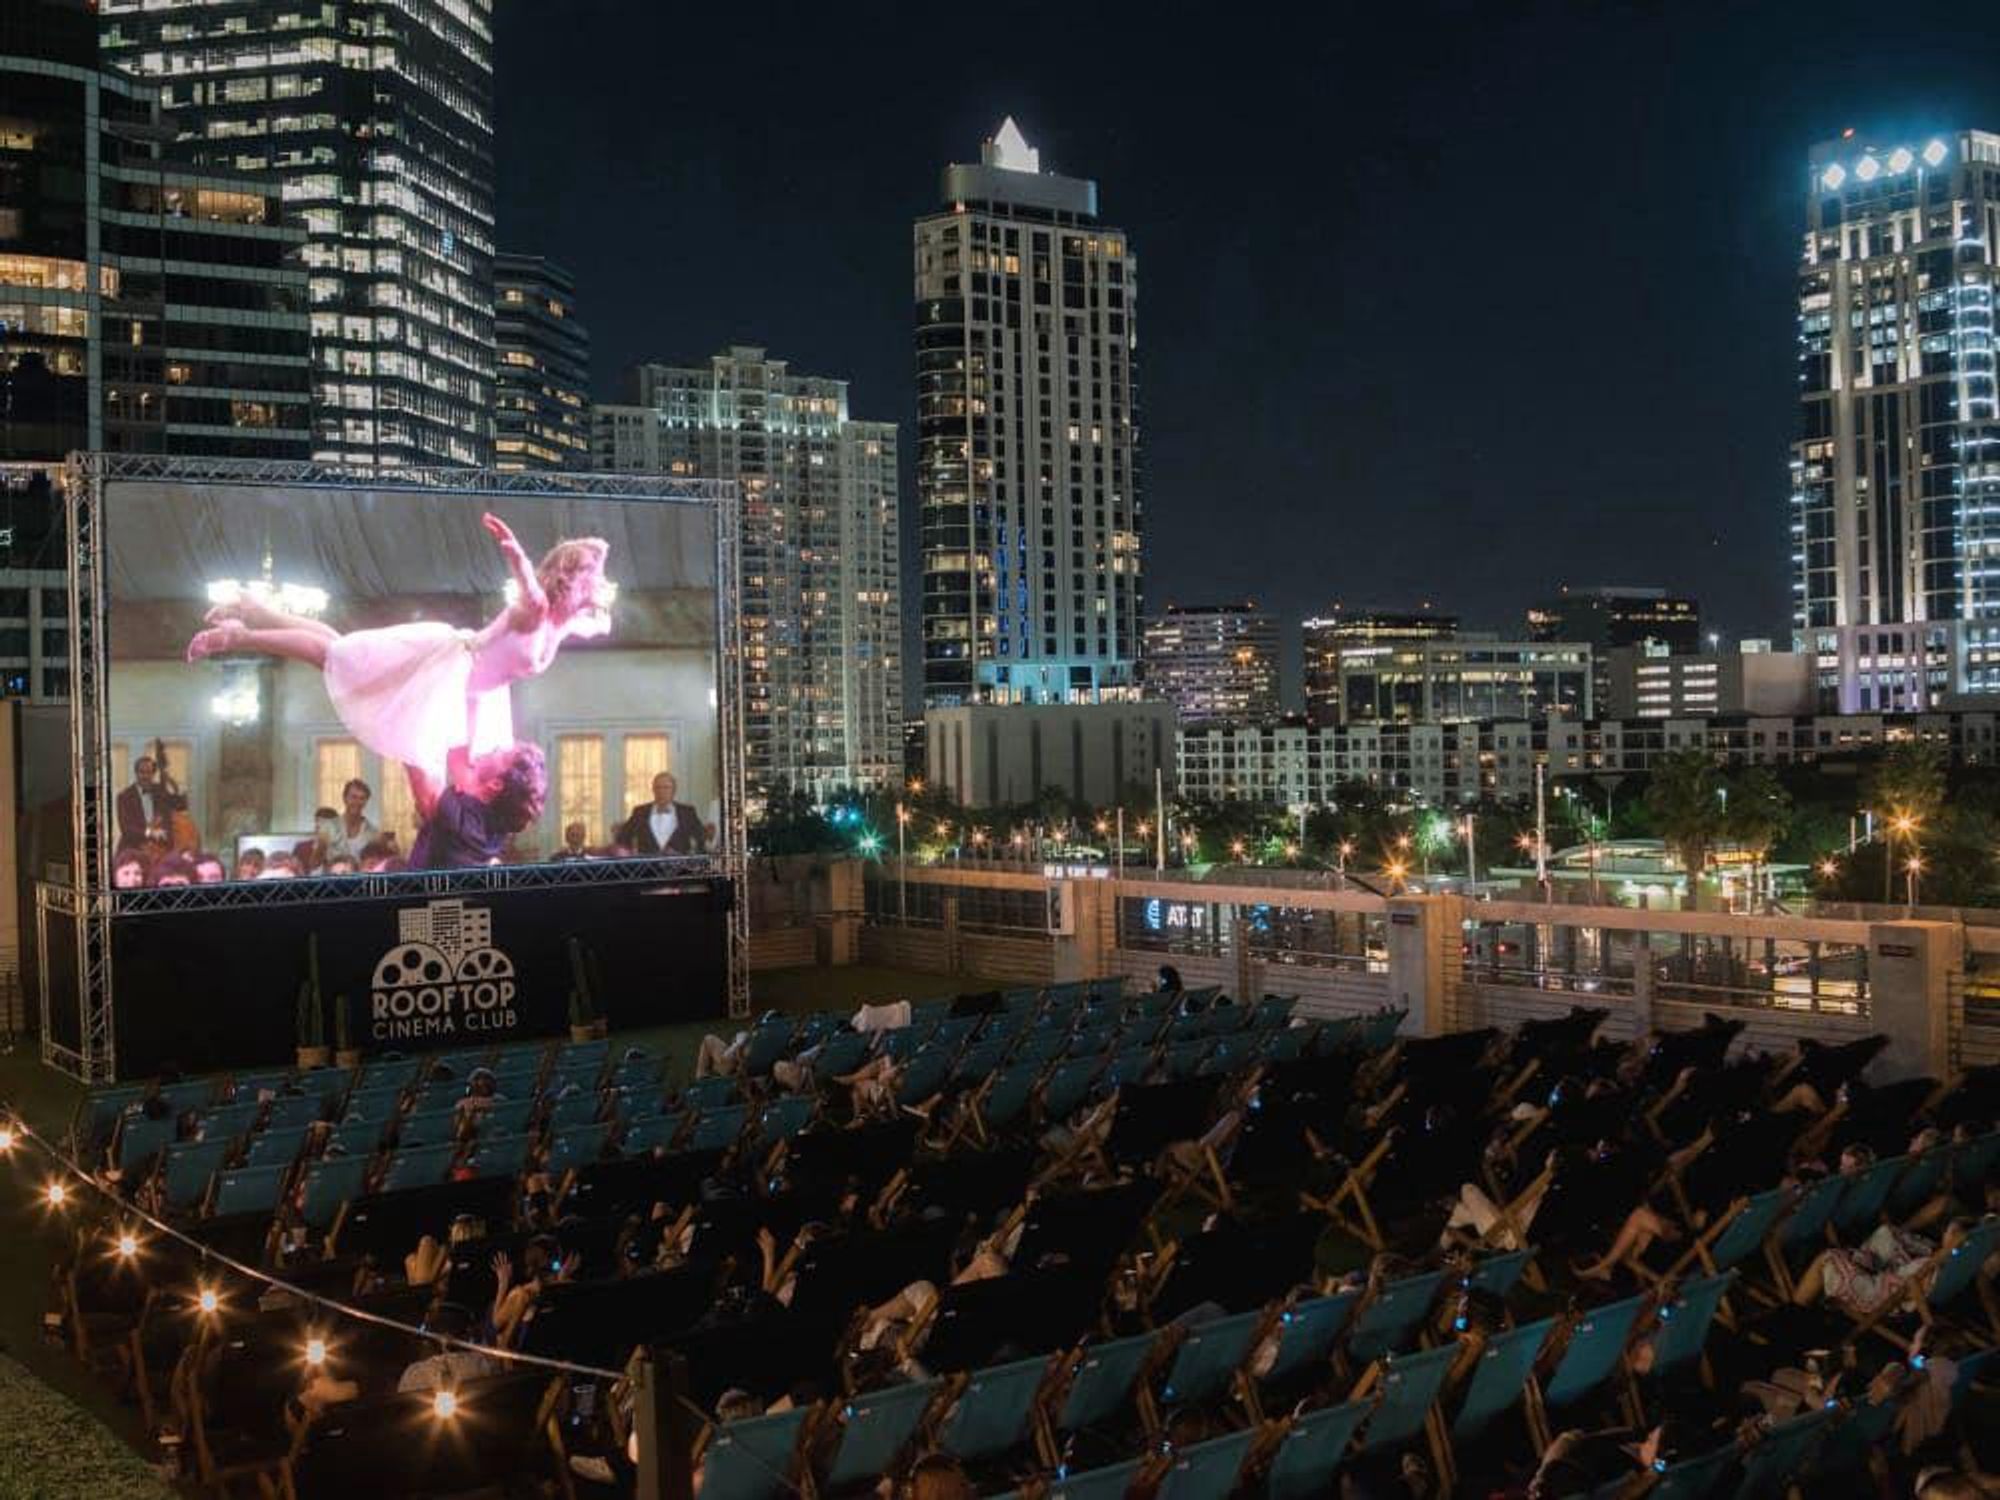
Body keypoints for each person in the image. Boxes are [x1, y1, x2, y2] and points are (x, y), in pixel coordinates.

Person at [187, 514, 613, 785]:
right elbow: (529, 584)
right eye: (593, 576)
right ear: (571, 580)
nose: (600, 584)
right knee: (336, 656)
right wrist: (516, 552)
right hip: (447, 667)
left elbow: (599, 623)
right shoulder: (536, 611)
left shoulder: (566, 623)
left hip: (470, 690)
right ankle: (240, 635)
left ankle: (256, 610)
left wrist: (598, 578)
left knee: (339, 649)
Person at [407, 742, 547, 870]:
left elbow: (414, 748)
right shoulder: (495, 819)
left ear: (495, 784)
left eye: (502, 755)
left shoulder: (459, 819)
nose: (496, 749)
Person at [617, 772, 709, 855]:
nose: (661, 791)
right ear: (653, 790)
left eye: (666, 787)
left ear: (674, 790)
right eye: (658, 787)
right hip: (647, 869)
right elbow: (623, 839)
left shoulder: (687, 812)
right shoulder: (640, 812)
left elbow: (701, 839)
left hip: (679, 868)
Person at [115, 754, 184, 851]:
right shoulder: (124, 796)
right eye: (142, 772)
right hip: (133, 847)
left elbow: (181, 806)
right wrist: (150, 833)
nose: (146, 776)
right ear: (136, 773)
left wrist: (173, 783)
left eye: (149, 772)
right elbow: (126, 829)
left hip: (160, 847)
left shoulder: (160, 790)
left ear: (153, 774)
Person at [323, 778, 377, 862]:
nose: (357, 802)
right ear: (344, 798)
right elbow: (315, 863)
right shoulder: (328, 826)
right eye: (353, 797)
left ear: (366, 802)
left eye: (362, 798)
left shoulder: (373, 832)